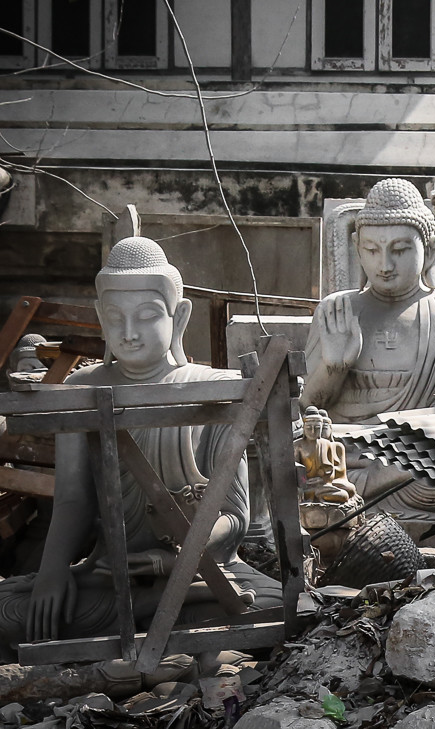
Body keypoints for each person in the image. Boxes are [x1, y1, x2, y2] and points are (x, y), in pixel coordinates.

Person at [0, 239, 279, 656]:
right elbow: (73, 501)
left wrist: (168, 563)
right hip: (108, 576)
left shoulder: (217, 390)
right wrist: (52, 573)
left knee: (275, 605)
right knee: (8, 608)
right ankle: (160, 611)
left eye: (147, 316)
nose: (128, 333)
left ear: (178, 316)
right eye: (115, 318)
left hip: (202, 571)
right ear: (100, 318)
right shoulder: (81, 388)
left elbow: (234, 520)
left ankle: (165, 605)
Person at [301, 178, 435, 421]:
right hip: (345, 447)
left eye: (400, 250)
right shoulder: (336, 310)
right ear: (357, 247)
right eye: (371, 250)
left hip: (425, 451)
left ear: (431, 250)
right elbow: (307, 407)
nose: (385, 265)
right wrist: (334, 368)